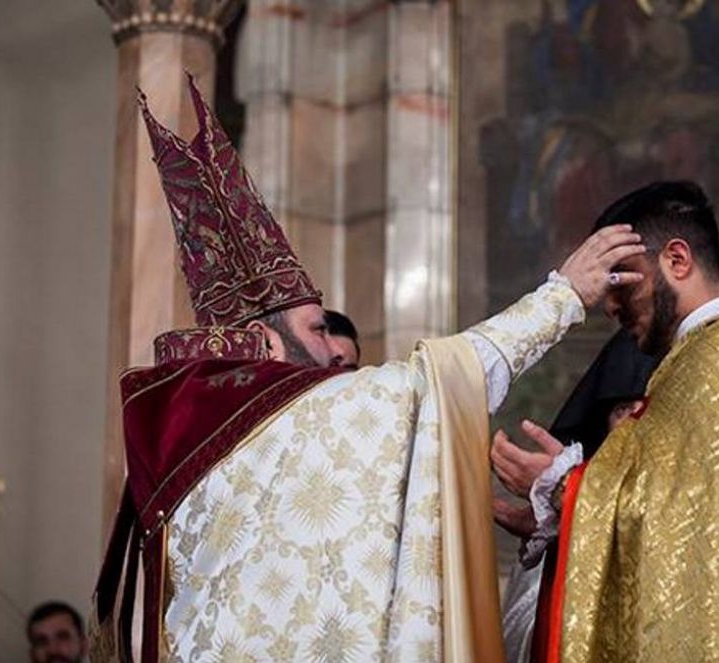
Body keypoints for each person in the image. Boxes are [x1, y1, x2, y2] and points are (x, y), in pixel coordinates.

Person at [90, 75, 647, 663]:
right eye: (317, 329)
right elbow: (432, 384)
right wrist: (564, 295)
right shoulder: (284, 419)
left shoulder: (215, 446)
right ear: (261, 342)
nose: (336, 351)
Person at [491, 181, 719, 661]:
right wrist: (561, 513)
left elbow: (679, 525)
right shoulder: (711, 355)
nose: (609, 304)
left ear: (677, 260)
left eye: (621, 279)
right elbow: (683, 517)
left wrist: (563, 488)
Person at [495, 328, 656, 663]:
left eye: (650, 408)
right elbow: (522, 636)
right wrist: (567, 526)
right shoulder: (562, 515)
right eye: (624, 409)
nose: (636, 422)